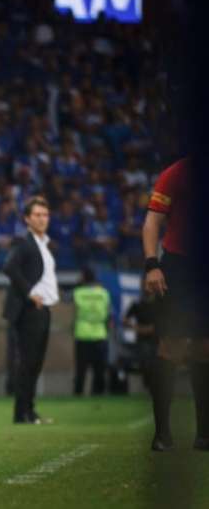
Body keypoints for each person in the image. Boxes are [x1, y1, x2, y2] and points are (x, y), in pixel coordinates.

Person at [142, 158, 209, 451]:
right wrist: (152, 264)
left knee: (205, 348)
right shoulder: (176, 173)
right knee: (171, 344)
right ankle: (162, 433)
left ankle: (204, 434)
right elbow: (153, 220)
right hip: (179, 266)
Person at [2, 196, 58, 424]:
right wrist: (29, 294)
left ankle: (29, 411)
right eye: (37, 215)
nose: (42, 219)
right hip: (29, 310)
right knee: (27, 363)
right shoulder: (23, 242)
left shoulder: (43, 244)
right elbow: (9, 267)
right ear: (27, 219)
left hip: (42, 309)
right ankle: (21, 413)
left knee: (35, 363)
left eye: (45, 215)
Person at [71, 268, 111, 396]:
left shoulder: (78, 293)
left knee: (80, 371)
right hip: (100, 334)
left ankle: (78, 394)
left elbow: (73, 311)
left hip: (82, 334)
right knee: (99, 370)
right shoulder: (104, 293)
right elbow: (108, 315)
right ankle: (98, 394)